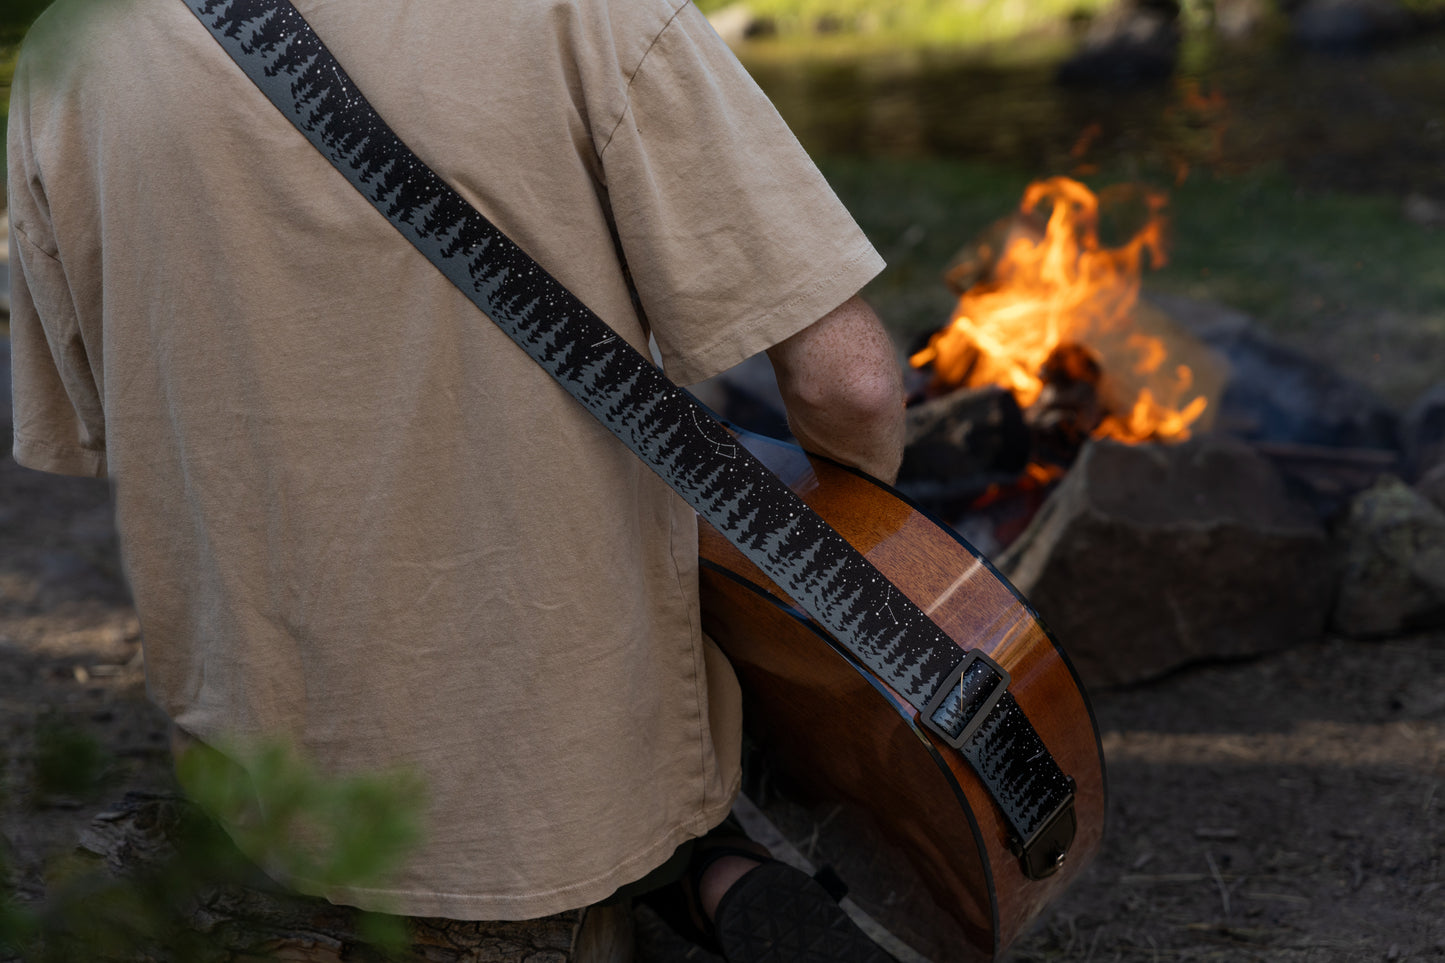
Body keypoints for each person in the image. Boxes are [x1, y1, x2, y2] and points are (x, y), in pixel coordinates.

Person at [6, 0, 904, 958]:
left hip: (267, 794)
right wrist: (845, 589)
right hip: (549, 801)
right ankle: (710, 876)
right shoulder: (585, 14)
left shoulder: (74, 49)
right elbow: (847, 386)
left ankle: (700, 876)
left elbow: (96, 418)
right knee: (669, 688)